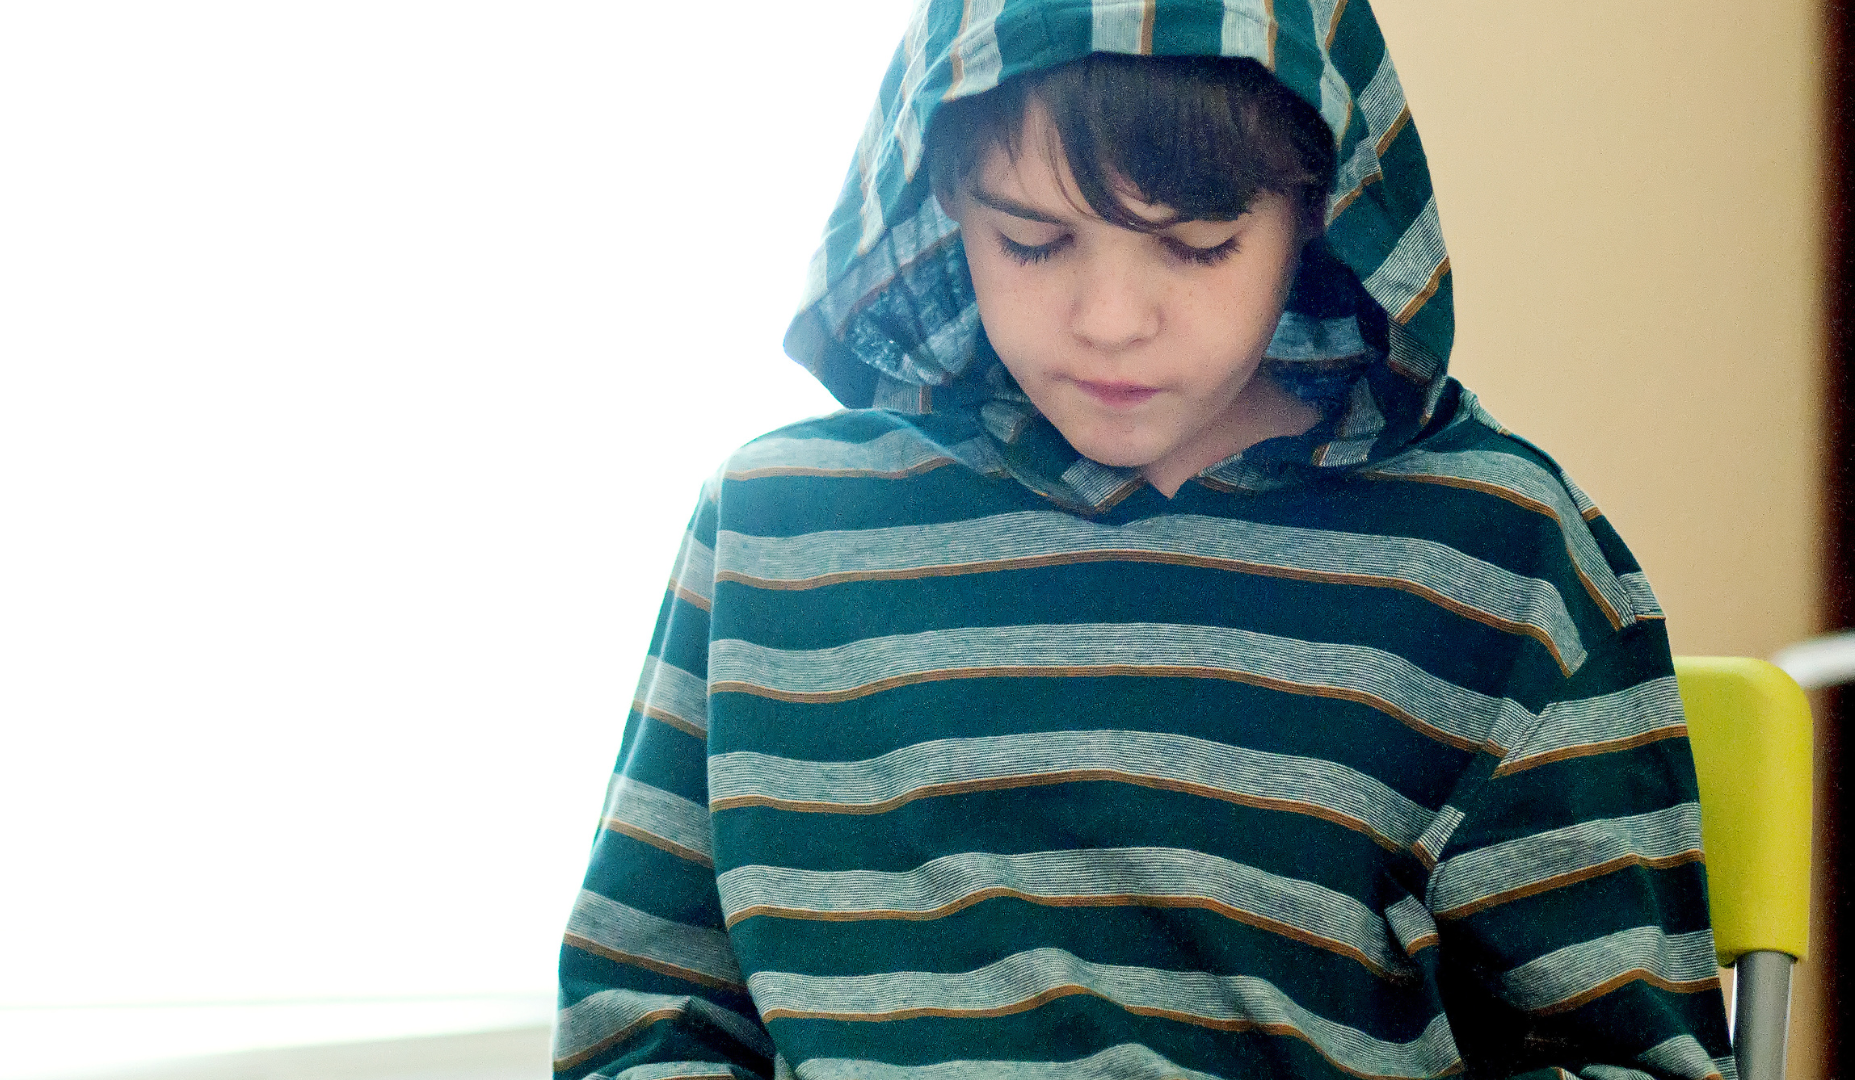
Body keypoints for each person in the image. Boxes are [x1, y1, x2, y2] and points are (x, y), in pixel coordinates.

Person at [554, 2, 1734, 1077]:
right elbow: (644, 1023)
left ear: (1320, 212)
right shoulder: (775, 531)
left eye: (1197, 246)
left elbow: (1634, 1060)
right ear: (941, 198)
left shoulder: (1501, 561)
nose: (1110, 322)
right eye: (1031, 241)